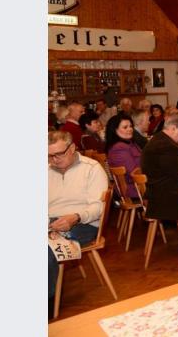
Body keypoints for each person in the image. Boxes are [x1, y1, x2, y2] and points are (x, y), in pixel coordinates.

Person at [48, 131, 108, 305]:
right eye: (49, 156)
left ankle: (47, 304)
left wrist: (75, 217)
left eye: (58, 154)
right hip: (50, 220)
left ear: (72, 148)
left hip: (84, 222)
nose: (54, 160)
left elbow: (98, 207)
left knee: (46, 250)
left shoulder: (92, 168)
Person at [140, 113, 178, 223]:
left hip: (158, 192)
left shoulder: (160, 140)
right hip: (165, 198)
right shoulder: (166, 146)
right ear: (173, 128)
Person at [105, 114, 143, 199]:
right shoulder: (118, 148)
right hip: (132, 188)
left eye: (130, 126)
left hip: (139, 183)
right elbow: (133, 172)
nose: (130, 129)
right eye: (125, 127)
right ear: (115, 130)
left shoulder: (130, 143)